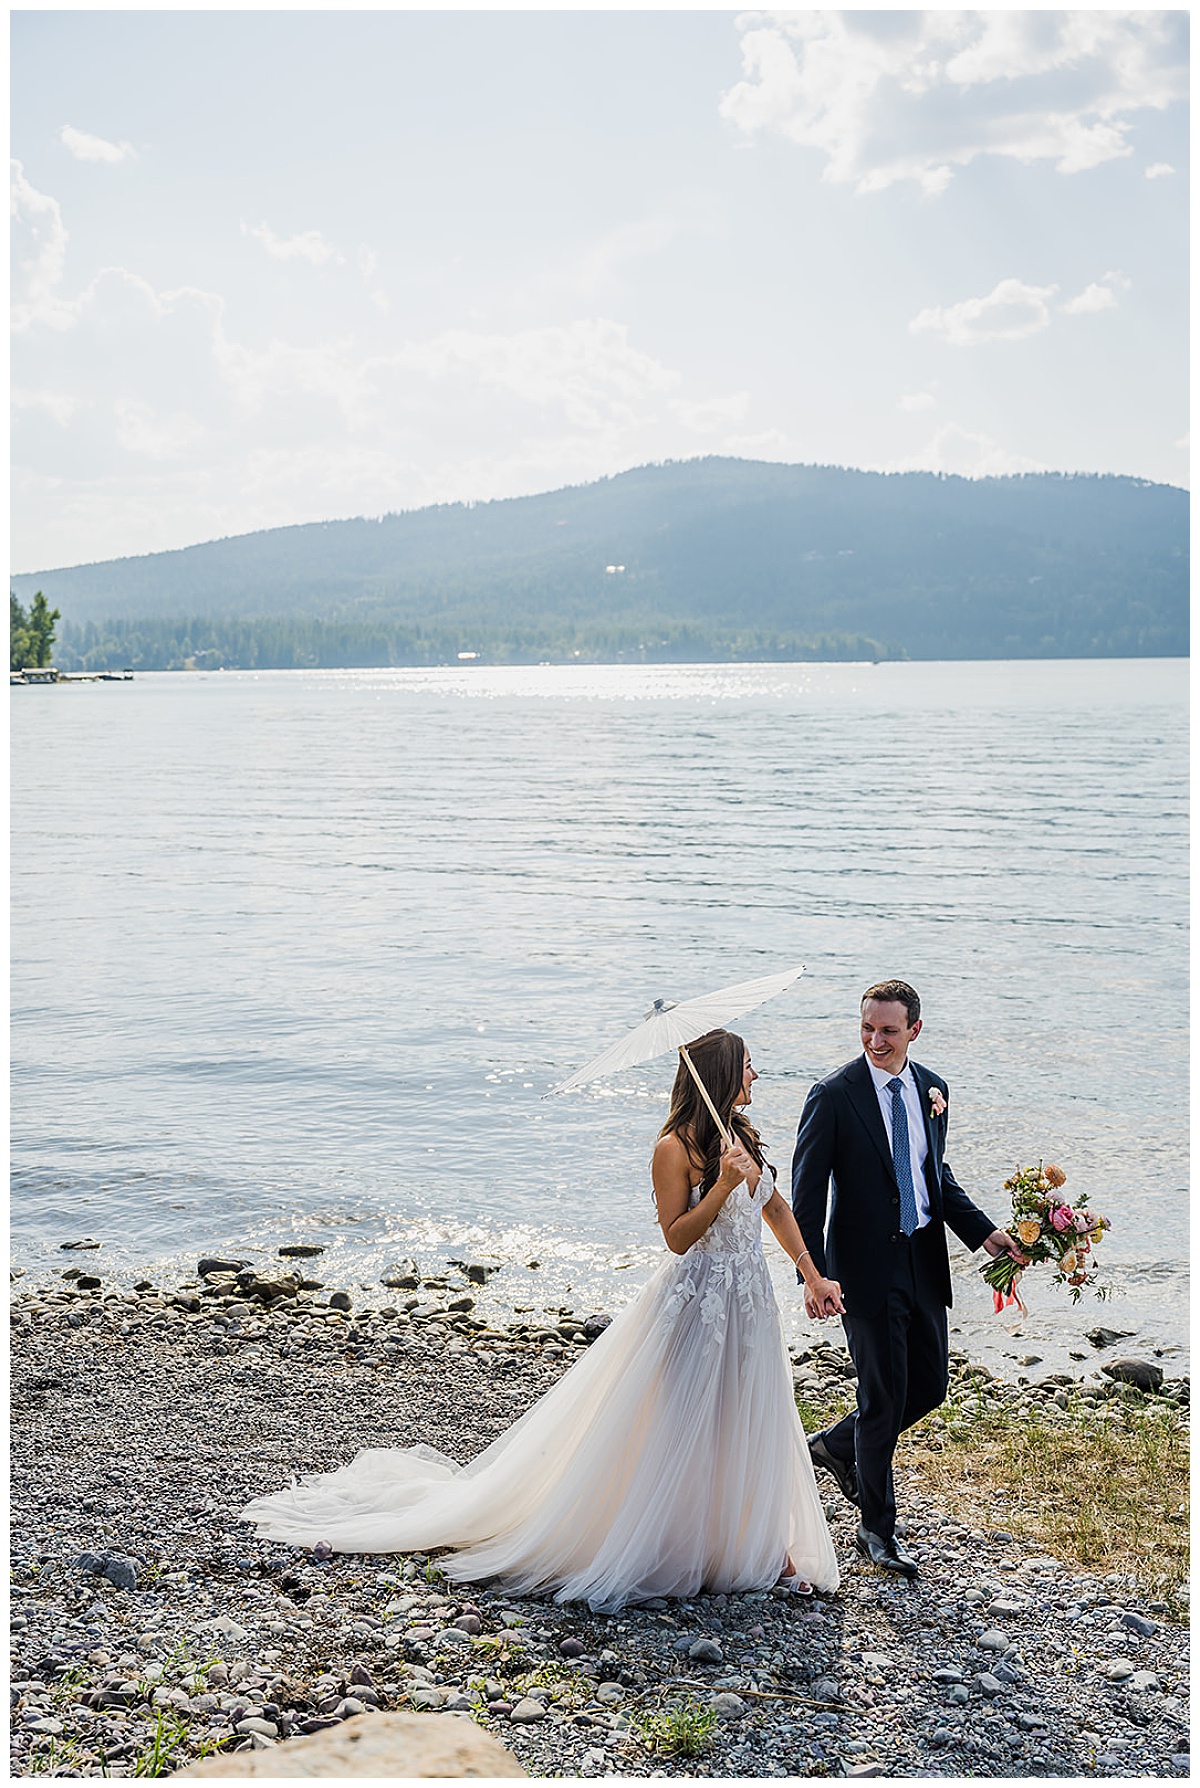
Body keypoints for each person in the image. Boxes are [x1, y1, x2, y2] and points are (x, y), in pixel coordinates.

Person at [241, 1028, 842, 1609]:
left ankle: (761, 1548)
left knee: (753, 1414)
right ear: (718, 1073)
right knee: (686, 1421)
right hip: (697, 1303)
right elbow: (678, 1239)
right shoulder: (673, 1149)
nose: (755, 1074)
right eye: (746, 1064)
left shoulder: (742, 1136)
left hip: (749, 1300)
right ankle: (674, 1545)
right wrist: (720, 1186)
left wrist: (811, 1275)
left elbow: (776, 1209)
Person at [792, 981, 1018, 1578]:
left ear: (914, 1030)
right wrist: (814, 1275)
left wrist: (985, 1233)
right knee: (883, 1395)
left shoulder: (932, 1089)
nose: (875, 1040)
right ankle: (877, 1529)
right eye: (867, 1027)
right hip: (862, 1271)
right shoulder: (833, 1095)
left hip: (922, 1259)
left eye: (888, 1030)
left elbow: (932, 1174)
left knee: (930, 1387)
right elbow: (807, 1194)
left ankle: (837, 1448)